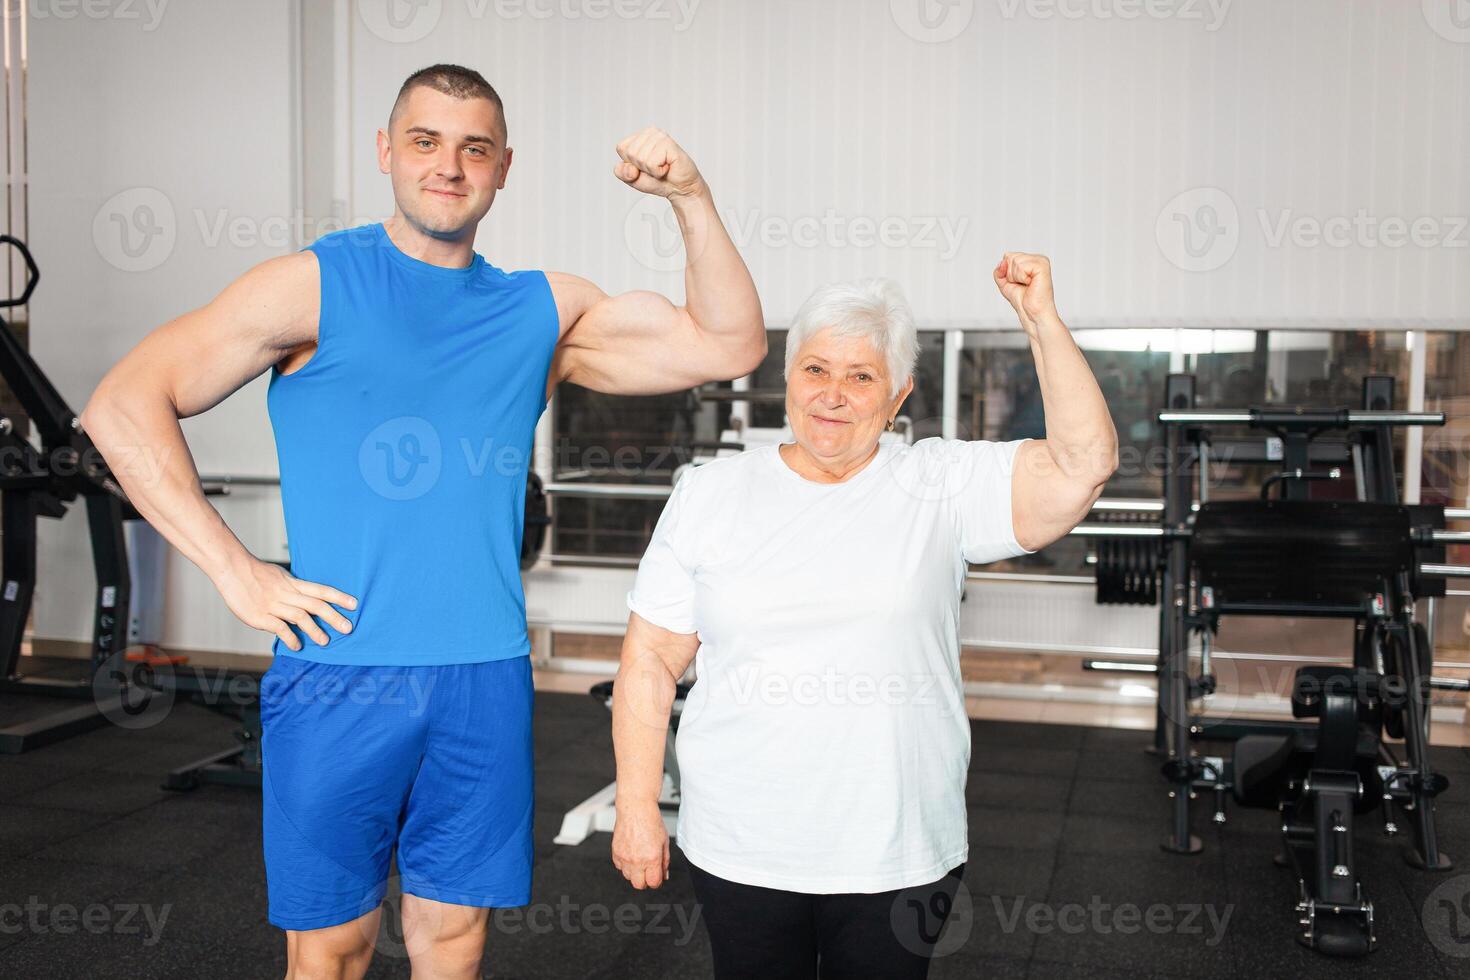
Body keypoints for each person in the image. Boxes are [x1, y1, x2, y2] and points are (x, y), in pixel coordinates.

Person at [79, 64, 765, 980]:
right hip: (337, 673)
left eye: (474, 147)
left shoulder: (540, 310)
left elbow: (731, 344)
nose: (450, 165)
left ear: (504, 167)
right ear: (386, 153)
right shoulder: (313, 285)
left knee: (455, 938)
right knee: (331, 947)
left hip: (482, 674)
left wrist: (690, 195)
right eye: (426, 142)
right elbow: (124, 403)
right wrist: (233, 569)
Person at [610, 254, 1117, 978]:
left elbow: (1083, 464)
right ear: (787, 378)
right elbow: (651, 659)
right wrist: (636, 805)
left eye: (861, 377)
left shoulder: (940, 484)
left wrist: (1041, 321)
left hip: (896, 848)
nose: (833, 395)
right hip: (742, 840)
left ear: (898, 393)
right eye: (816, 370)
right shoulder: (710, 492)